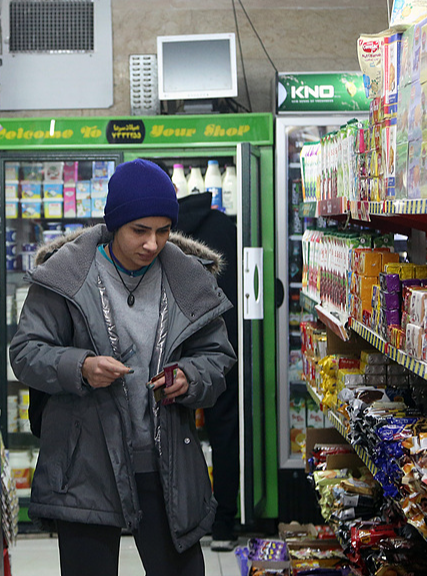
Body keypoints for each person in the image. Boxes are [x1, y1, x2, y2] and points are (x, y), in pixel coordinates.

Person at [10, 158, 237, 576]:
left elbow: (218, 357)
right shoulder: (67, 277)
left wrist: (189, 377)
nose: (153, 243)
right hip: (85, 464)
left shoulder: (188, 279)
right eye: (140, 230)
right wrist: (80, 367)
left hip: (164, 462)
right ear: (115, 224)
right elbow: (26, 352)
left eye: (164, 230)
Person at [174, 189, 240, 550]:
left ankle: (181, 521)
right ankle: (225, 525)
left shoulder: (160, 228)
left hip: (172, 350)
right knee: (224, 431)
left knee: (174, 436)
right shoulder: (222, 224)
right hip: (220, 344)